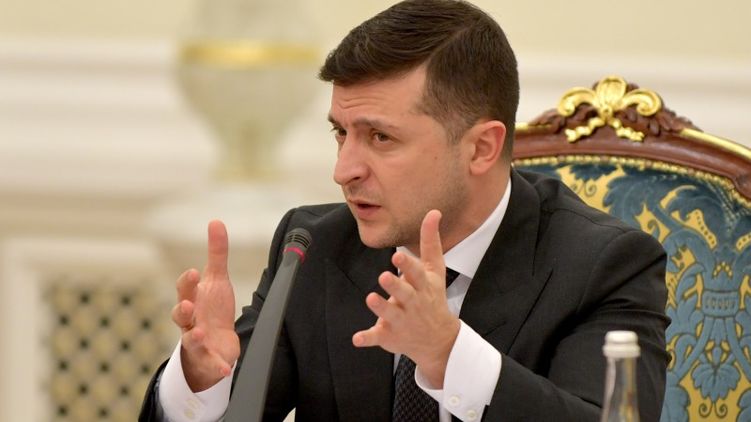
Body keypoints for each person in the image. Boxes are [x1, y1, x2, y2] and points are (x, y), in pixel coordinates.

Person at [140, 0, 670, 420]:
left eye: (380, 137)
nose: (344, 170)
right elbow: (237, 409)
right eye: (341, 133)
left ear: (481, 148)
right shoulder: (314, 245)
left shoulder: (603, 266)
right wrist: (203, 381)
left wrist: (448, 354)